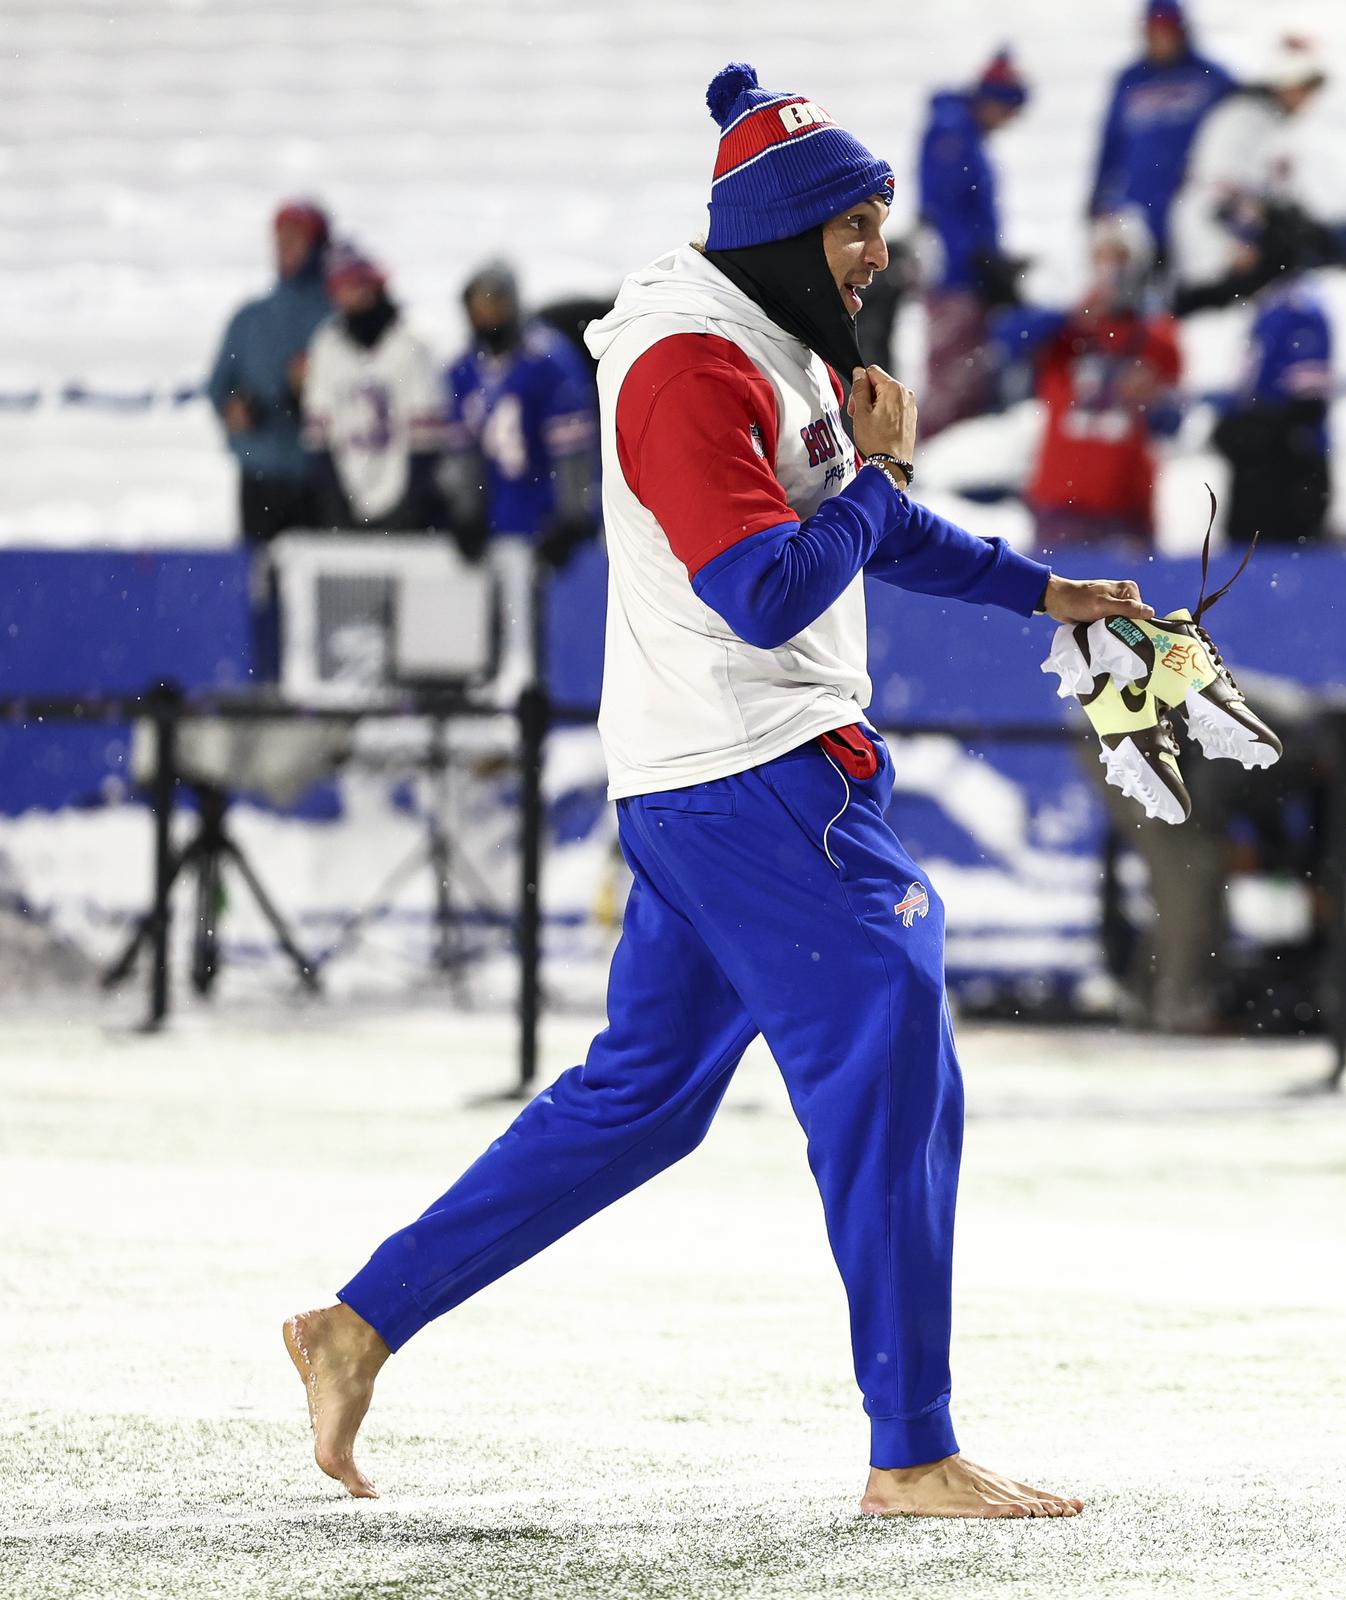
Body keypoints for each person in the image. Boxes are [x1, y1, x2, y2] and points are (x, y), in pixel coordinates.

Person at [280, 62, 1157, 1520]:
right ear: (778, 231)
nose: (880, 251)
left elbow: (864, 527)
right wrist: (878, 473)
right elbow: (764, 590)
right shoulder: (694, 367)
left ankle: (357, 1324)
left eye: (881, 219)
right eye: (856, 225)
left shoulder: (774, 340)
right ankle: (912, 1451)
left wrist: (1047, 590)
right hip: (755, 777)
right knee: (893, 1048)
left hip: (718, 782)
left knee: (640, 1105)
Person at [1022, 210, 1183, 551]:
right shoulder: (1063, 331)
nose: (1110, 270)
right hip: (1059, 505)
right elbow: (1007, 340)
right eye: (1102, 257)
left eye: (1120, 258)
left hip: (1125, 508)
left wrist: (1153, 398)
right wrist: (1070, 317)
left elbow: (1172, 423)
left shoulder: (1157, 335)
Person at [445, 260, 601, 567]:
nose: (487, 316)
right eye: (478, 308)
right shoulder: (463, 370)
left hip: (544, 523)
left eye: (494, 304)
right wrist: (467, 513)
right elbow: (464, 452)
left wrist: (572, 518)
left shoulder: (548, 362)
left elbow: (572, 450)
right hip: (496, 526)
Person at [916, 48, 1030, 438]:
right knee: (953, 382)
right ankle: (929, 458)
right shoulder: (953, 132)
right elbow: (947, 209)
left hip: (966, 272)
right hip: (955, 278)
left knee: (968, 377)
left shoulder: (964, 133)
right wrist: (978, 260)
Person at [206, 200, 332, 542]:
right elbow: (219, 385)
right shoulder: (250, 318)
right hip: (260, 475)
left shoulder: (337, 317)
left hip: (320, 479)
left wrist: (311, 389)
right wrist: (233, 409)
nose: (285, 249)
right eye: (280, 239)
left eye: (297, 239)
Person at [1169, 35, 1331, 297]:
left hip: (1236, 250)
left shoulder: (1273, 121)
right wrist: (1243, 237)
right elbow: (1222, 189)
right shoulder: (1243, 117)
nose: (1307, 100)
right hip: (1215, 256)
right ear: (1288, 85)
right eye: (1305, 88)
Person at [301, 245, 448, 529]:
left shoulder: (411, 343)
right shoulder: (327, 345)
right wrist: (335, 500)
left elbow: (427, 440)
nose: (354, 296)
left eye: (359, 284)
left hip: (405, 498)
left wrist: (411, 503)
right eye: (344, 287)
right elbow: (319, 436)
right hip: (349, 494)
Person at [1089, 0, 1236, 273]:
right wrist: (1098, 199)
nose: (1161, 41)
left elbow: (1237, 129)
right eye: (1154, 33)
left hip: (1192, 204)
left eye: (1167, 32)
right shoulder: (1129, 80)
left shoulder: (1211, 78)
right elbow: (1111, 145)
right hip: (1140, 207)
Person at [1212, 270, 1333, 544]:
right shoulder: (1270, 305)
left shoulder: (1300, 308)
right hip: (1256, 473)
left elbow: (1307, 406)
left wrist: (1250, 432)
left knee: (1277, 565)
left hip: (1284, 474)